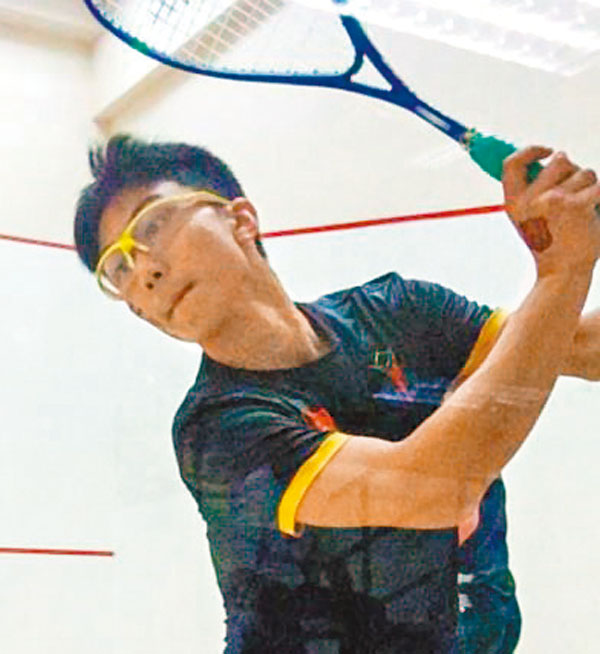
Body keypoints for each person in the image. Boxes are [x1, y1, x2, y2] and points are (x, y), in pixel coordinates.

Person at [73, 134, 600, 653]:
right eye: (119, 268)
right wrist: (562, 270)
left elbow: (579, 346)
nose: (144, 271)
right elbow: (432, 490)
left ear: (241, 219)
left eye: (153, 224)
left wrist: (575, 244)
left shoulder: (398, 312)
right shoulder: (218, 429)